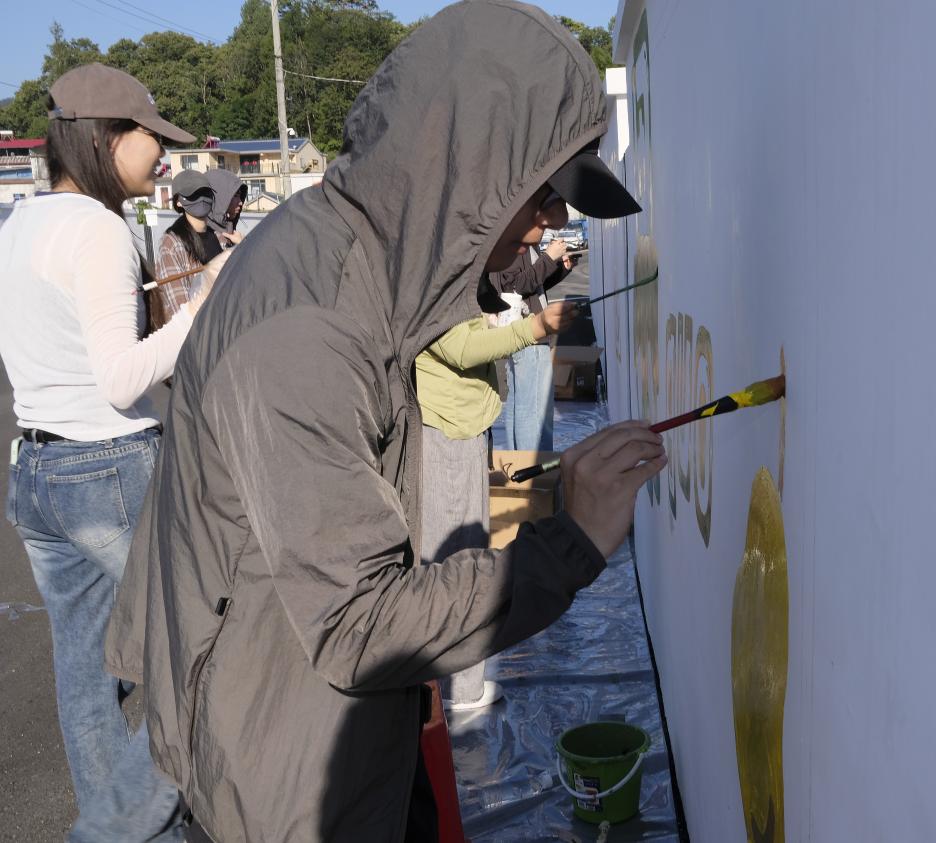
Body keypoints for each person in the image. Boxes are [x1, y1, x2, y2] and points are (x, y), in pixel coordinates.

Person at [104, 3, 652, 841]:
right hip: (285, 770)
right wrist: (571, 539)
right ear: (470, 172)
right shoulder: (310, 323)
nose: (550, 223)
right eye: (544, 193)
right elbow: (357, 623)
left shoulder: (353, 261)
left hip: (318, 716)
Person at [0, 63, 216, 840]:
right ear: (106, 138)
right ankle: (117, 828)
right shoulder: (98, 229)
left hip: (36, 470)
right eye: (150, 137)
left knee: (87, 677)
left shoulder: (21, 222)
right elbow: (120, 375)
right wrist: (202, 305)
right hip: (109, 468)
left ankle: (114, 825)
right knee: (200, 652)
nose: (162, 155)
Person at [415, 293, 577, 707]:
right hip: (448, 431)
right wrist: (534, 327)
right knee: (455, 562)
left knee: (463, 557)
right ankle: (455, 688)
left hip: (459, 428)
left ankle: (457, 683)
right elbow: (460, 346)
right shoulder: (434, 282)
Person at [489, 233, 574, 450]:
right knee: (535, 412)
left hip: (523, 333)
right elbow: (515, 286)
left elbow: (535, 285)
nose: (545, 229)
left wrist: (560, 267)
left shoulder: (516, 242)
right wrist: (549, 257)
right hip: (529, 336)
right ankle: (534, 468)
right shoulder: (513, 242)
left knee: (522, 406)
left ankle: (520, 463)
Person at [151, 169, 228, 330]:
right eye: (193, 194)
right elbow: (179, 306)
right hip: (198, 332)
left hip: (226, 324)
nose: (201, 199)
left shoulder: (220, 238)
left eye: (205, 193)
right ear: (179, 202)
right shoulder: (171, 243)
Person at [205, 167, 247, 240]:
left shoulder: (228, 231)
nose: (240, 202)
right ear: (220, 198)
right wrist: (241, 245)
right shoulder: (207, 238)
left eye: (240, 196)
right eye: (235, 196)